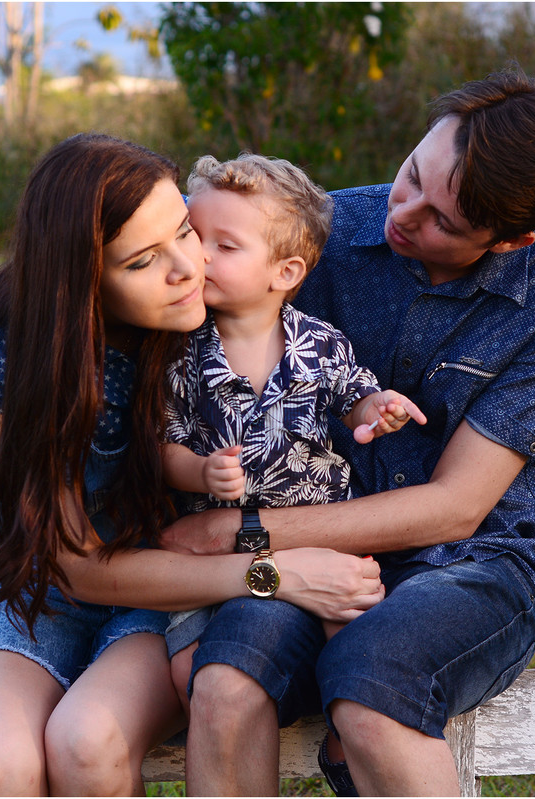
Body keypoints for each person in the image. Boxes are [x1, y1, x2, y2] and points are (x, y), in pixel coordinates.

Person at [163, 68, 535, 796]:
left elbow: (456, 505)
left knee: (372, 683)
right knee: (224, 683)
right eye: (413, 176)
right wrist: (18, 506)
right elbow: (148, 259)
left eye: (445, 222)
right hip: (314, 551)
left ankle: (356, 745)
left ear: (509, 239)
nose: (406, 213)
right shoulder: (317, 236)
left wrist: (239, 533)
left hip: (474, 560)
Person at [0, 133, 384, 796]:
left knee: (88, 740)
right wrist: (272, 572)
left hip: (162, 592)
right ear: (81, 278)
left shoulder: (209, 321)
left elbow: (276, 225)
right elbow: (66, 554)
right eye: (142, 261)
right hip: (39, 584)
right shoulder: (0, 353)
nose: (187, 268)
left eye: (186, 232)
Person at [159, 153, 427, 699]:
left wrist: (377, 409)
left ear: (285, 273)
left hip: (316, 533)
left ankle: (346, 727)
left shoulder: (319, 342)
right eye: (194, 236)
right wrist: (202, 472)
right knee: (189, 669)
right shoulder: (177, 351)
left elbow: (353, 397)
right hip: (212, 548)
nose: (198, 257)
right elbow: (161, 448)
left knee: (356, 647)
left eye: (225, 246)